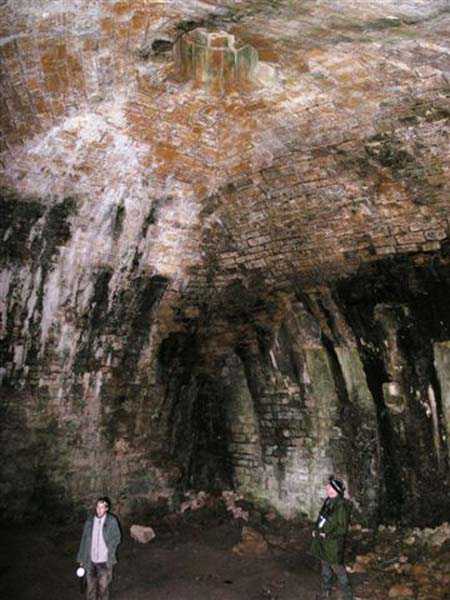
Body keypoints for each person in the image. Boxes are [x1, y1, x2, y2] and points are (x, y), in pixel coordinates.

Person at [311, 476, 353, 600]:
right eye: (327, 486)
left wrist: (327, 535)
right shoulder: (328, 501)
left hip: (333, 543)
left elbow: (342, 529)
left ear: (336, 490)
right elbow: (321, 518)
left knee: (338, 569)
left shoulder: (341, 506)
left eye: (329, 487)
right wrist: (316, 529)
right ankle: (326, 592)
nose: (326, 488)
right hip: (323, 541)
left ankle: (348, 596)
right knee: (325, 566)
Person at [77, 497, 122, 600]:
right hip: (90, 560)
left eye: (102, 507)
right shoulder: (90, 521)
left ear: (106, 508)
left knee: (103, 588)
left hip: (104, 561)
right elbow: (84, 540)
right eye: (98, 507)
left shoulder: (112, 521)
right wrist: (81, 558)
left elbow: (117, 538)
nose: (99, 510)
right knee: (90, 587)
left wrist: (110, 549)